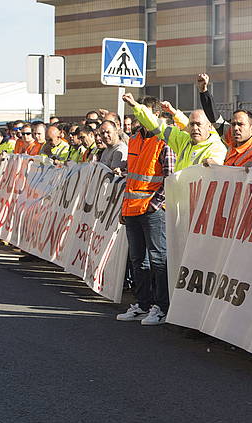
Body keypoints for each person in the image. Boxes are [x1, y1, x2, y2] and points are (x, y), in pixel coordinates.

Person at [116, 95, 175, 326]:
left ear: (157, 115)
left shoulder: (164, 141)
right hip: (132, 208)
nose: (140, 118)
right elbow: (132, 177)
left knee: (158, 259)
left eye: (145, 112)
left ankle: (161, 307)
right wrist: (124, 206)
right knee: (138, 259)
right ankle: (143, 304)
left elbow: (169, 178)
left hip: (152, 211)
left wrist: (154, 204)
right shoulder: (134, 140)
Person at [123, 93, 226, 171]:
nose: (195, 128)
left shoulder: (216, 147)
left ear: (209, 126)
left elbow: (218, 168)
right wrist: (135, 106)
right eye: (191, 124)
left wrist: (214, 165)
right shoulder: (183, 140)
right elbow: (156, 124)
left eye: (198, 124)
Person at [197, 74, 252, 167]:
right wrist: (203, 90)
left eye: (240, 124)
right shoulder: (233, 137)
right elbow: (214, 117)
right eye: (233, 124)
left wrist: (217, 167)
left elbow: (237, 177)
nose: (236, 128)